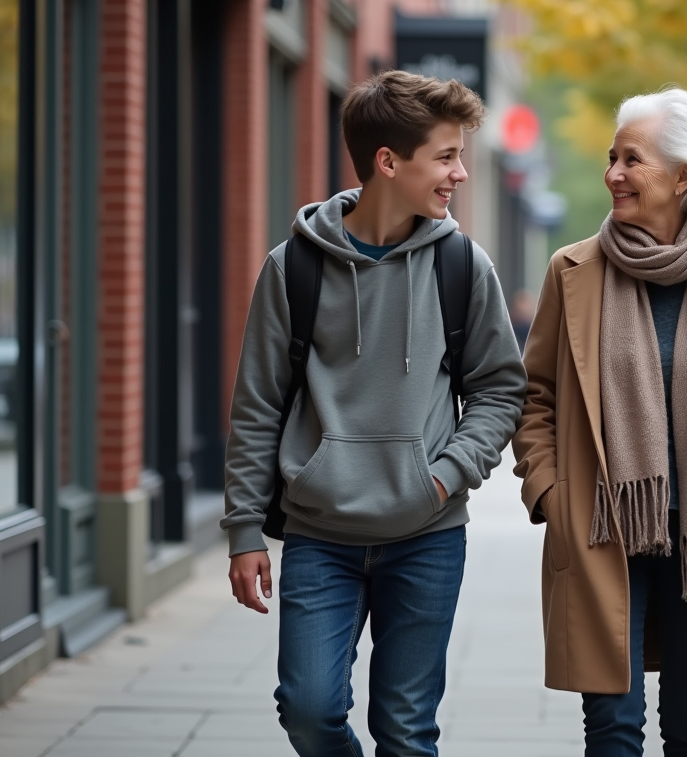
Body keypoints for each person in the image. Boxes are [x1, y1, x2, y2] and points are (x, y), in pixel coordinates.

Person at [221, 70, 526, 757]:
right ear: (389, 161)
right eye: (446, 157)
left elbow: (501, 390)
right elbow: (257, 406)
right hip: (319, 534)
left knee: (406, 730)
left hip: (427, 534)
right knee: (308, 710)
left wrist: (444, 476)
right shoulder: (293, 268)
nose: (460, 173)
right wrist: (243, 530)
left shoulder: (461, 265)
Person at [512, 87, 687, 756]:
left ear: (682, 176)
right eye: (612, 158)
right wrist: (551, 493)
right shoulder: (573, 271)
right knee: (612, 729)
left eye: (632, 160)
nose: (613, 173)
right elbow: (535, 398)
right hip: (601, 527)